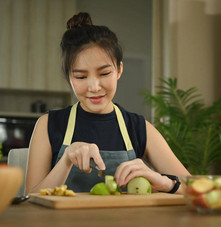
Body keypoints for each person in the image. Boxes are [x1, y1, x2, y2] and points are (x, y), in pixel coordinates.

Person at [25, 12, 190, 195]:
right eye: (81, 76)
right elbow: (29, 201)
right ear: (68, 78)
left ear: (119, 70)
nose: (94, 87)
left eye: (104, 74)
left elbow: (195, 189)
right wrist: (65, 161)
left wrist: (164, 182)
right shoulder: (48, 125)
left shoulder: (138, 127)